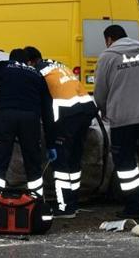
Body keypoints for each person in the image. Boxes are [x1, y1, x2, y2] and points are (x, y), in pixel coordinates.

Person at [95, 25, 139, 219]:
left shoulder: (108, 56)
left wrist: (103, 109)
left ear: (109, 39)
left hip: (123, 118)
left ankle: (133, 207)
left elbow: (100, 90)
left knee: (126, 164)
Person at [24, 46, 97, 218]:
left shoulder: (38, 72)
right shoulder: (58, 65)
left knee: (61, 161)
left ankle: (65, 207)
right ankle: (73, 201)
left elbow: (42, 104)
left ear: (31, 61)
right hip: (86, 109)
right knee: (74, 159)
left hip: (68, 114)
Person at [0, 48, 55, 197]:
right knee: (32, 161)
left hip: (6, 115)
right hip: (30, 119)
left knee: (0, 158)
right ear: (26, 61)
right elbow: (47, 110)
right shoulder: (37, 75)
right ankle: (36, 199)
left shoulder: (1, 66)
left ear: (10, 58)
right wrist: (51, 143)